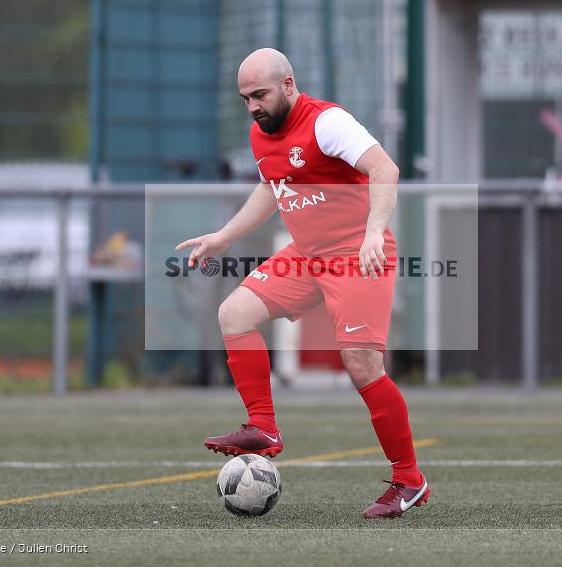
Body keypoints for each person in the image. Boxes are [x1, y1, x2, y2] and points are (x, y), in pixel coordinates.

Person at [176, 48, 428, 518]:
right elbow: (273, 188)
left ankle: (409, 479)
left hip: (357, 255)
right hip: (308, 257)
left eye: (260, 94)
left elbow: (385, 169)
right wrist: (223, 237)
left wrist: (374, 232)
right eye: (245, 98)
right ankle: (264, 428)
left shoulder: (326, 122)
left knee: (361, 366)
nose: (252, 106)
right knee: (234, 314)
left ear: (288, 85)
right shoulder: (260, 134)